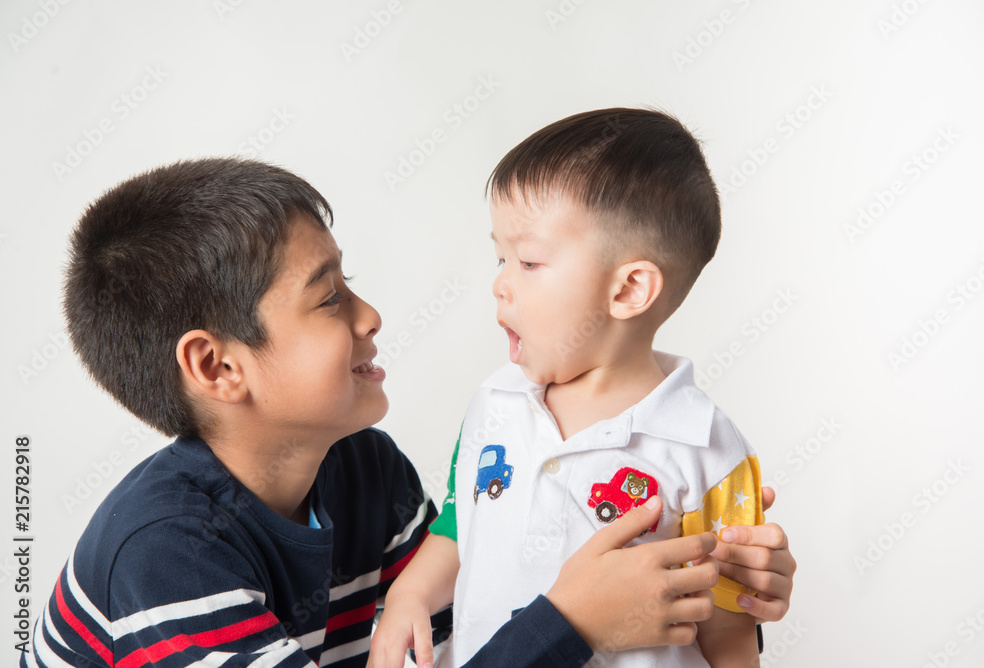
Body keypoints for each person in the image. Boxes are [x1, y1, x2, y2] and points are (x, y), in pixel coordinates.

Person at [21, 157, 793, 668]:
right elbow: (531, 637)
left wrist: (704, 592)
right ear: (219, 366)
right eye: (329, 298)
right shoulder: (164, 556)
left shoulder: (363, 468)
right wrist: (576, 621)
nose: (371, 315)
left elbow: (462, 630)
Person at [371, 108, 790, 667]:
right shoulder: (494, 404)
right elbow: (458, 522)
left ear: (629, 289)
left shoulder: (706, 447)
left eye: (528, 261)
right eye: (500, 257)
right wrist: (409, 595)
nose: (499, 284)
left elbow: (729, 625)